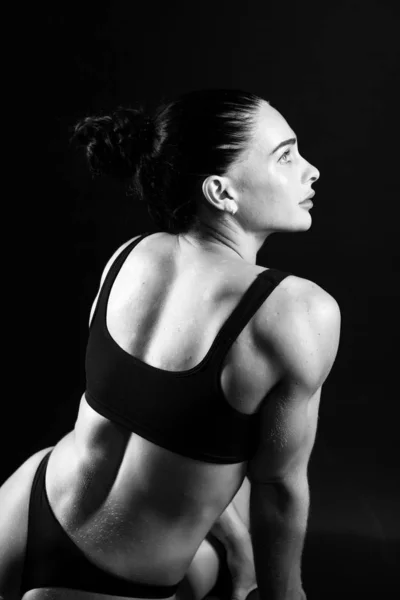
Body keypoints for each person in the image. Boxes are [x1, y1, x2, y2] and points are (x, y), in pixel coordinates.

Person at [0, 89, 340, 600]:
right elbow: (281, 493)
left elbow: (161, 426)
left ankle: (231, 553)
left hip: (25, 507)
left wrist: (241, 549)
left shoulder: (129, 257)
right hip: (122, 584)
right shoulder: (297, 311)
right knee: (252, 478)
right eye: (286, 156)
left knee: (219, 489)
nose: (311, 170)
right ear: (222, 193)